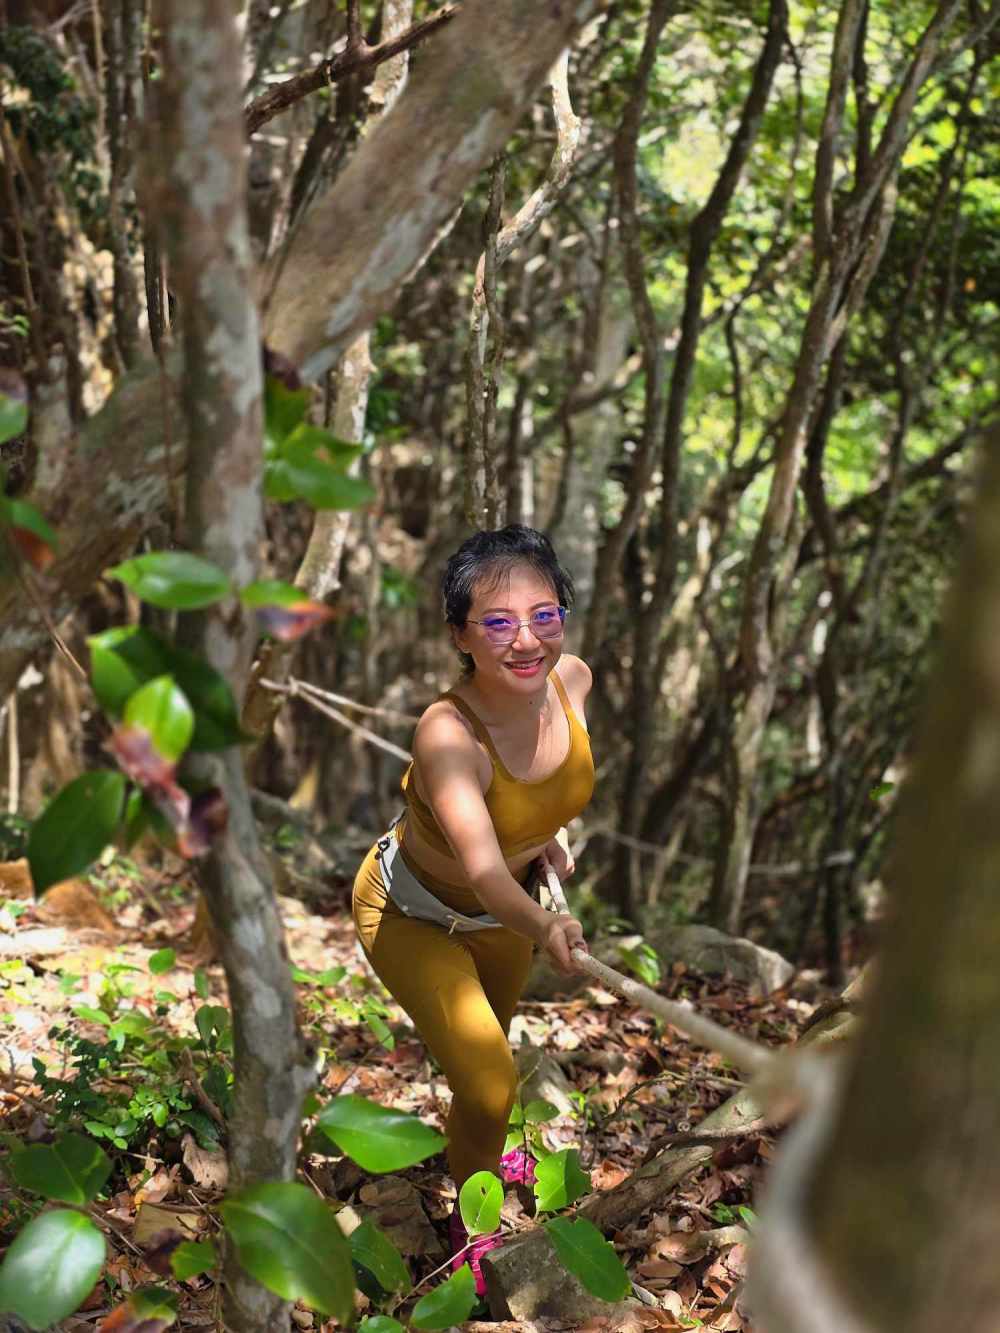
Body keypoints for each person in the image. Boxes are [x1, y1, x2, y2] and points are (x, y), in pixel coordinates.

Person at [352, 524, 594, 1292]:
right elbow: (486, 870)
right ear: (460, 634)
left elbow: (542, 802)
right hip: (413, 913)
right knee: (491, 1081)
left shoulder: (573, 680)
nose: (527, 640)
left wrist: (551, 836)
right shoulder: (447, 733)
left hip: (503, 920)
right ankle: (473, 1234)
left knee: (483, 1079)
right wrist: (546, 921)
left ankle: (478, 1157)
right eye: (498, 622)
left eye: (544, 615)